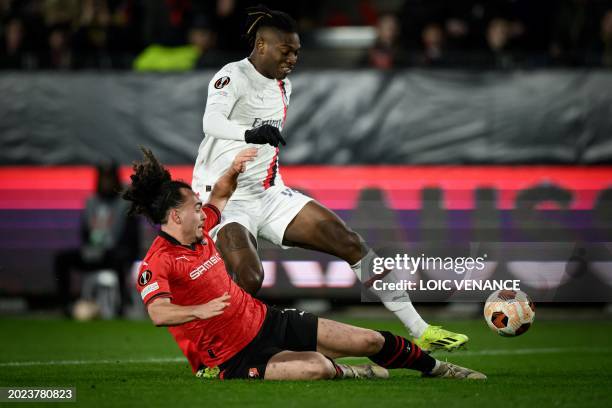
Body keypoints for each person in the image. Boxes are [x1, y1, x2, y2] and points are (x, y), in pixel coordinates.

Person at [192, 4, 468, 352]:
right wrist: (251, 133)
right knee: (250, 277)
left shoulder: (284, 86)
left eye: (296, 52)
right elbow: (210, 123)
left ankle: (421, 330)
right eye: (285, 50)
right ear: (261, 45)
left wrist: (261, 146)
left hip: (268, 194)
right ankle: (212, 347)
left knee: (350, 241)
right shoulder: (232, 76)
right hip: (223, 197)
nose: (292, 58)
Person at [123, 147, 486, 381]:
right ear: (175, 216)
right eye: (194, 209)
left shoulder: (203, 231)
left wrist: (234, 169)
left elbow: (219, 195)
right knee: (317, 368)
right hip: (229, 359)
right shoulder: (158, 263)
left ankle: (438, 368)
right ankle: (350, 373)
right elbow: (159, 314)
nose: (203, 213)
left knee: (371, 339)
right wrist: (202, 309)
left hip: (268, 321)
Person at [54, 162, 139, 316]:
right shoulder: (91, 202)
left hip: (114, 253)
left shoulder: (125, 204)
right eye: (103, 179)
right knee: (62, 259)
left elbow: (131, 237)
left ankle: (121, 307)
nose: (106, 183)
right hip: (93, 251)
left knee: (119, 260)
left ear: (115, 180)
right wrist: (91, 249)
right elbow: (85, 233)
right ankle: (65, 305)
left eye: (109, 179)